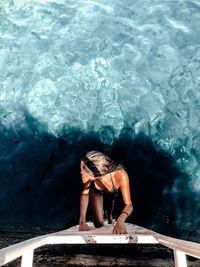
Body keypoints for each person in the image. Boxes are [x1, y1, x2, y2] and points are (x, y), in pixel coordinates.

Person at [78, 151, 133, 234]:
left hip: (112, 190)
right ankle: (103, 213)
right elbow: (85, 194)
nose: (81, 172)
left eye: (83, 171)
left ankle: (109, 216)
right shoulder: (89, 174)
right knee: (98, 223)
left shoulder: (121, 175)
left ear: (96, 174)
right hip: (97, 191)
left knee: (111, 197)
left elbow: (129, 205)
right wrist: (82, 221)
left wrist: (121, 220)